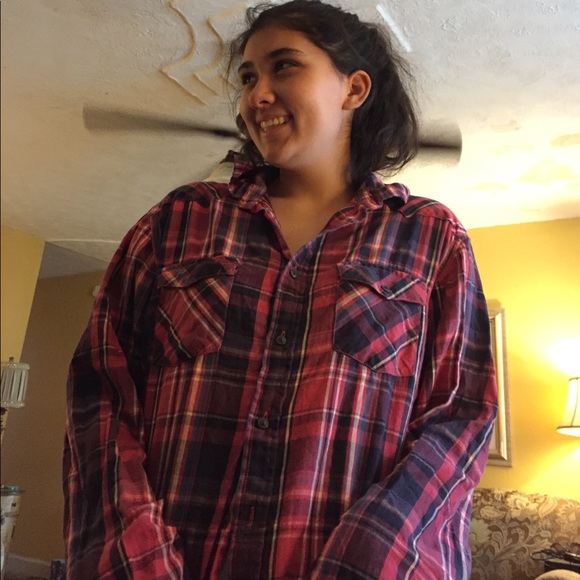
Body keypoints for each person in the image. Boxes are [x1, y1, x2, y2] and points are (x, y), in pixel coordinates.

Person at [63, 0, 498, 578]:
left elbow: (458, 417)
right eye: (248, 77)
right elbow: (100, 394)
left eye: (284, 66)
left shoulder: (430, 238)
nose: (256, 95)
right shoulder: (179, 222)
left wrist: (364, 564)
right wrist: (134, 558)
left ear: (353, 89)